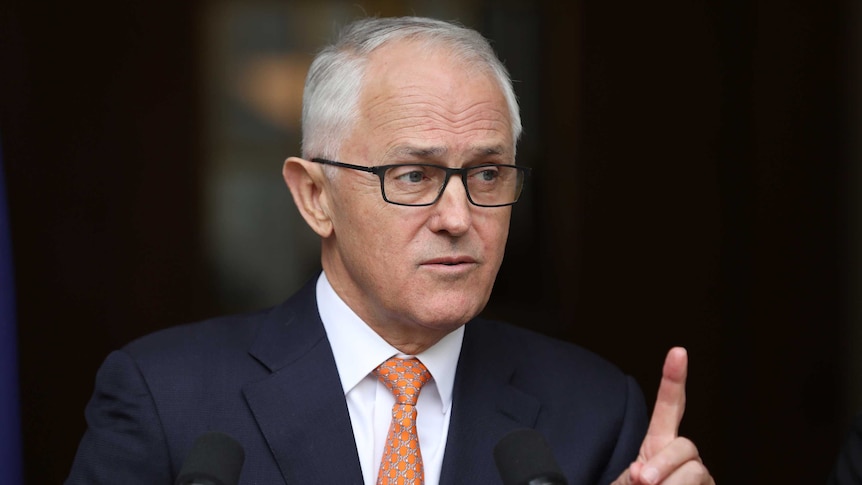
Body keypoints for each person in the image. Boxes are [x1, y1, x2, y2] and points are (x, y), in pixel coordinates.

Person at [66, 16, 713, 485]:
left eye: (487, 174)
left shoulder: (598, 414)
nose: (458, 217)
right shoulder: (167, 401)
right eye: (414, 176)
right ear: (315, 195)